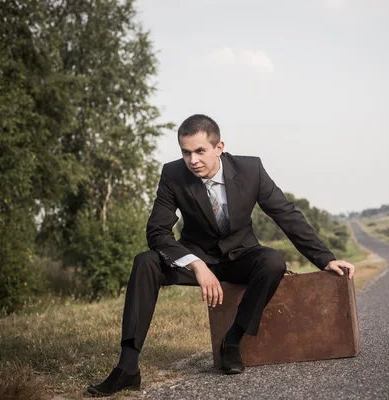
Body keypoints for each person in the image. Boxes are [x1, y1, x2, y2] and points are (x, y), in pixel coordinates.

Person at [87, 114, 355, 396]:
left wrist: (325, 258)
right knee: (145, 261)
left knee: (273, 261)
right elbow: (157, 232)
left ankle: (232, 342)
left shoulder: (251, 169)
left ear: (219, 147)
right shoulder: (173, 174)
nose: (193, 161)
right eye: (186, 152)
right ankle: (127, 367)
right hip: (196, 258)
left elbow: (286, 214)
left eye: (200, 151)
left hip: (242, 257)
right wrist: (196, 265)